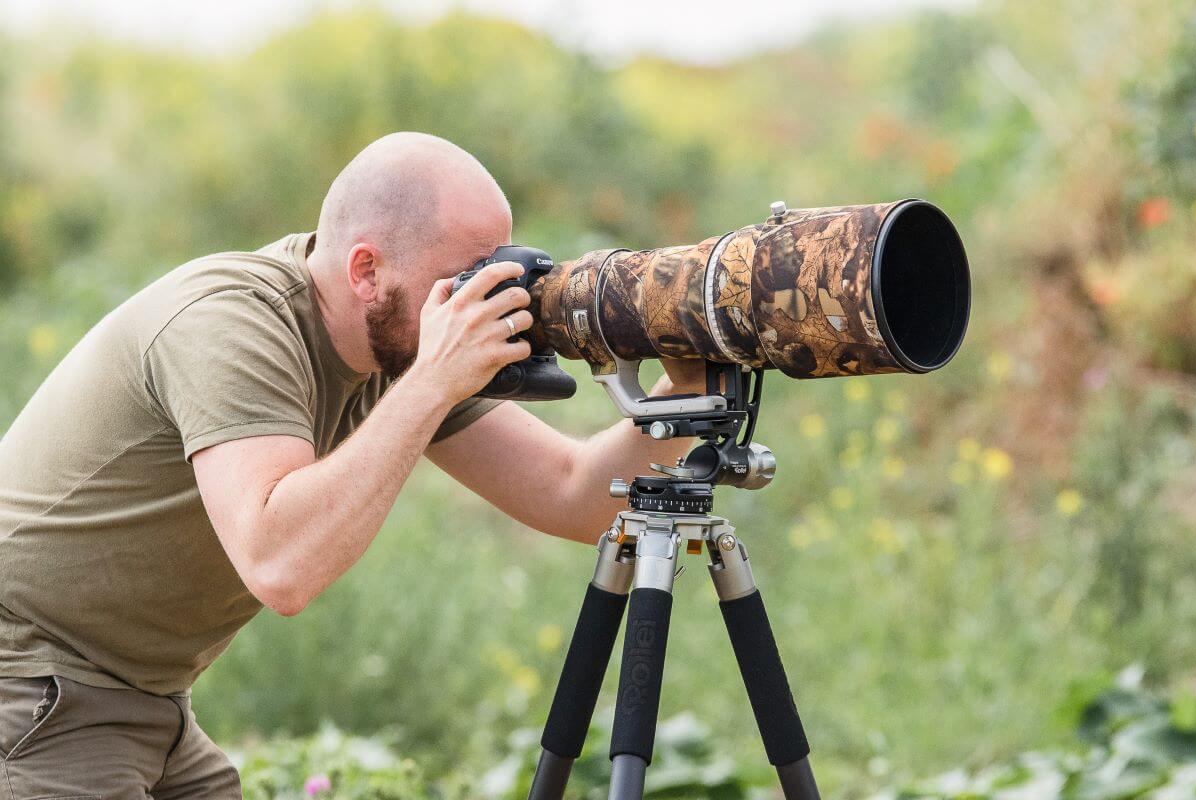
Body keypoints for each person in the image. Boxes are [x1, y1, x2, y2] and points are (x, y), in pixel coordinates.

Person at [0, 132, 703, 798]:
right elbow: (281, 564)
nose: (479, 302)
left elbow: (574, 495)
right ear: (366, 270)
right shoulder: (234, 324)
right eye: (462, 278)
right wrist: (433, 380)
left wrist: (691, 385)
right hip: (31, 678)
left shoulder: (396, 349)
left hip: (140, 695)